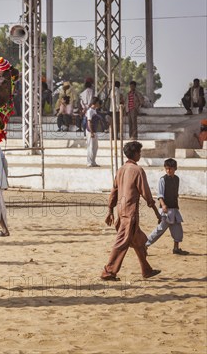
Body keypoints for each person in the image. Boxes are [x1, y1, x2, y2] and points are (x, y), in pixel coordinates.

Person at [101, 141, 162, 281]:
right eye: (139, 152)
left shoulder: (121, 169)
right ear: (135, 154)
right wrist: (156, 212)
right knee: (122, 242)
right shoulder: (137, 170)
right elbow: (146, 194)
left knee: (138, 241)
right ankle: (108, 272)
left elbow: (114, 191)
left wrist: (110, 210)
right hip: (130, 213)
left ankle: (146, 270)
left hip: (121, 210)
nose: (140, 154)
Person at [145, 159, 189, 255]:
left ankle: (176, 248)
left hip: (174, 208)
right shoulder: (162, 180)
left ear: (175, 169)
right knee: (160, 230)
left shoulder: (177, 179)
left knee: (177, 229)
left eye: (170, 169)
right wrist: (163, 205)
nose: (168, 171)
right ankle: (144, 246)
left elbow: (175, 194)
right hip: (166, 210)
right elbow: (160, 195)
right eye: (167, 169)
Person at [85, 97, 101, 167]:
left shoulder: (95, 110)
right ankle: (89, 162)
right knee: (90, 146)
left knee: (95, 147)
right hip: (90, 131)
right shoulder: (90, 111)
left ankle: (93, 161)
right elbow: (89, 122)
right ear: (95, 102)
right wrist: (91, 132)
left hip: (95, 130)